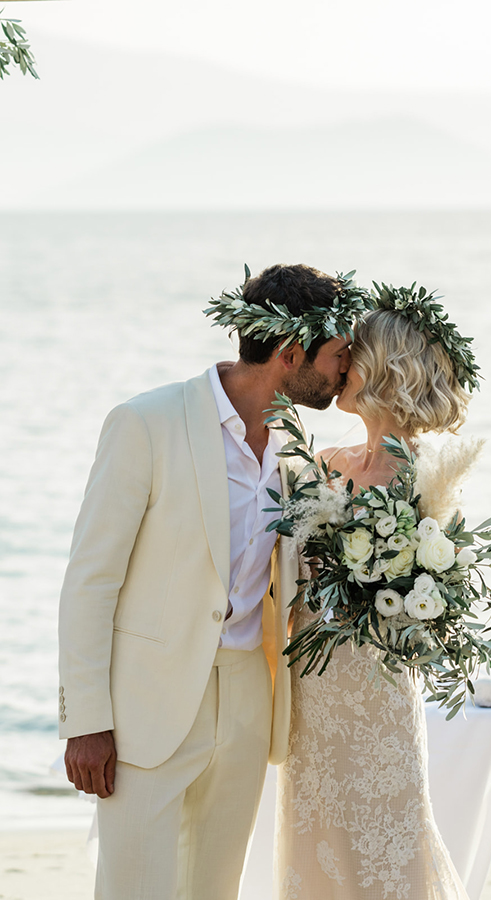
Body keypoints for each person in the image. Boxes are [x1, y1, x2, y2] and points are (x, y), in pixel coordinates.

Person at [58, 263, 366, 900]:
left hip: (248, 701)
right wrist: (85, 720)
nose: (344, 372)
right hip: (147, 706)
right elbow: (91, 580)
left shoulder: (295, 444)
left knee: (214, 890)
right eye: (338, 355)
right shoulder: (146, 423)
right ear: (290, 353)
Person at [275, 300, 474, 899]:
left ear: (383, 371)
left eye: (352, 357)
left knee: (384, 846)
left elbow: (436, 603)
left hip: (377, 707)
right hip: (310, 699)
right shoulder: (324, 463)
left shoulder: (426, 482)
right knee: (314, 848)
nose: (341, 369)